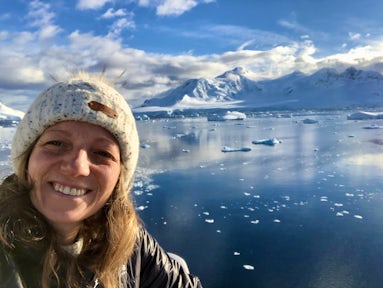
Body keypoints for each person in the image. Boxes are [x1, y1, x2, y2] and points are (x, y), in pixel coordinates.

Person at [0, 72, 203, 288]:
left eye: (103, 153)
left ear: (118, 177)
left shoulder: (128, 243)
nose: (77, 167)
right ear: (28, 157)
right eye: (56, 143)